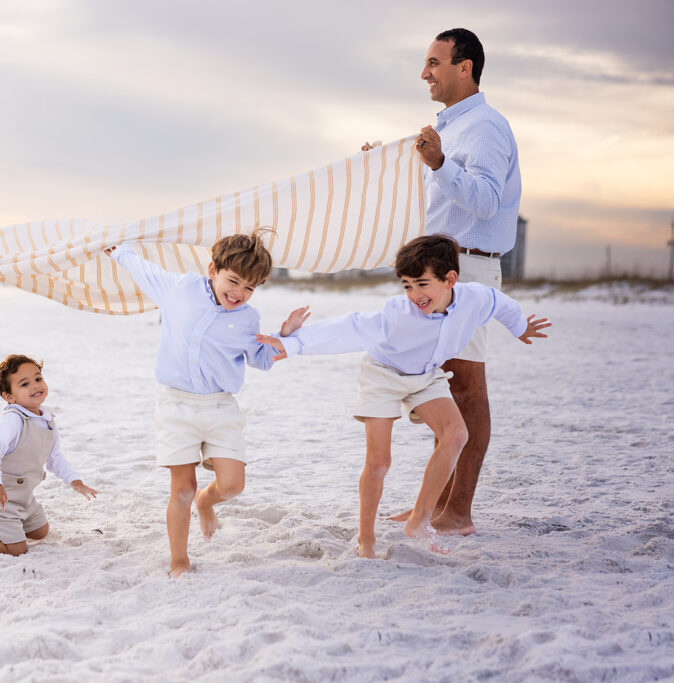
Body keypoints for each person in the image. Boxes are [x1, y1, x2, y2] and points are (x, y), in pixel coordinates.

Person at [257, 235, 549, 558]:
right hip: (383, 374)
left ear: (450, 279)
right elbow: (349, 329)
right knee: (380, 462)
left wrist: (520, 326)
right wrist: (292, 342)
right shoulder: (397, 314)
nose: (414, 295)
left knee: (457, 434)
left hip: (425, 375)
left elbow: (501, 303)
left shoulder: (474, 300)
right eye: (407, 286)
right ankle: (366, 538)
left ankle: (419, 522)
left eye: (422, 284)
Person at [363, 28, 522, 536]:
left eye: (434, 62)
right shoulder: (449, 129)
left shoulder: (487, 127)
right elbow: (433, 196)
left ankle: (458, 511)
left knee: (467, 389)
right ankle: (434, 505)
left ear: (465, 67)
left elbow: (485, 201)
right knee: (443, 388)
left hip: (468, 268)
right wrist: (390, 168)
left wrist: (438, 162)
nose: (424, 73)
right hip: (440, 270)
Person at [105, 232, 308, 577]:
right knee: (182, 490)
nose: (238, 293)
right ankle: (179, 560)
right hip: (176, 407)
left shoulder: (247, 317)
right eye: (233, 281)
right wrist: (120, 251)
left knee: (233, 485)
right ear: (213, 270)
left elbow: (260, 359)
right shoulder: (180, 289)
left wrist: (285, 335)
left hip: (220, 407)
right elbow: (144, 271)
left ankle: (207, 501)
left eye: (249, 288)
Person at [0, 354, 97, 556]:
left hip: (23, 497)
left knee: (40, 532)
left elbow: (55, 456)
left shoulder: (46, 419)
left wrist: (75, 480)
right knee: (17, 549)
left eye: (38, 378)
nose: (35, 386)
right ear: (9, 397)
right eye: (24, 384)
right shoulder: (14, 420)